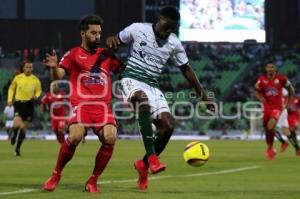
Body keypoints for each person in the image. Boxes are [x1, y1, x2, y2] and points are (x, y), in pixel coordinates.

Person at [106, 6, 214, 190]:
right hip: (132, 77)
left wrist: (203, 95)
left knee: (168, 127)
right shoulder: (137, 28)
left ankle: (143, 165)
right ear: (159, 18)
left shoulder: (174, 43)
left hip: (153, 85)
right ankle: (153, 157)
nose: (169, 30)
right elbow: (116, 40)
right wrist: (111, 40)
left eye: (173, 27)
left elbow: (186, 69)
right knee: (142, 101)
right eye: (167, 25)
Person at [43, 15, 123, 193]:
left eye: (99, 33)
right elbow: (58, 77)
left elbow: (124, 71)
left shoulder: (106, 55)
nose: (97, 36)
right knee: (75, 136)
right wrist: (53, 68)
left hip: (103, 108)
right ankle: (56, 174)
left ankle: (93, 180)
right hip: (82, 106)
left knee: (110, 137)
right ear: (83, 33)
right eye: (93, 33)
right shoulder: (73, 54)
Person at [254, 62, 295, 160]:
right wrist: (260, 98)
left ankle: (272, 148)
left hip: (277, 107)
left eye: (272, 67)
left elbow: (291, 89)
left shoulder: (281, 78)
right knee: (267, 128)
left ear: (275, 69)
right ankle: (272, 147)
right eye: (268, 67)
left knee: (271, 125)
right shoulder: (261, 79)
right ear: (266, 69)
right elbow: (256, 90)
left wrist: (289, 102)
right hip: (267, 107)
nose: (270, 69)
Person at [7, 61, 42, 156]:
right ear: (23, 68)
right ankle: (14, 134)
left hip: (29, 105)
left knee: (23, 129)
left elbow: (39, 91)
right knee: (18, 125)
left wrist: (36, 96)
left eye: (30, 67)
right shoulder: (18, 78)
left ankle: (17, 149)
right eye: (27, 67)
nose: (28, 69)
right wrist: (9, 99)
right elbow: (11, 89)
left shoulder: (35, 80)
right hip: (19, 103)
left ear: (32, 68)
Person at [274, 89, 300, 155]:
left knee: (270, 128)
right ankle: (297, 149)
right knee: (287, 131)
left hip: (292, 116)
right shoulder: (283, 98)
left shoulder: (296, 98)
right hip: (285, 115)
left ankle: (284, 143)